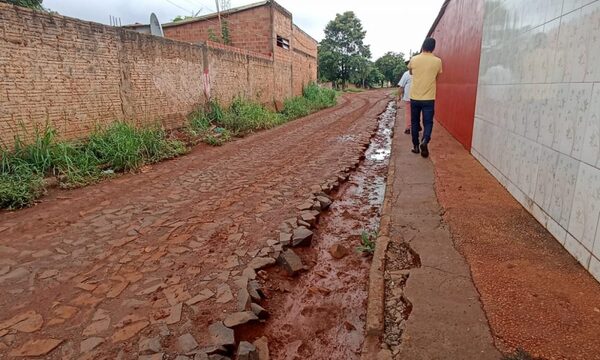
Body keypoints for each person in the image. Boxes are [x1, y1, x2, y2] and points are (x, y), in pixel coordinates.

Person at [408, 37, 442, 158]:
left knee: (414, 122)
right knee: (428, 122)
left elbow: (411, 72)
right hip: (429, 98)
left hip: (415, 97)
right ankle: (425, 141)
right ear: (433, 48)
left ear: (423, 46)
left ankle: (416, 146)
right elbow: (437, 77)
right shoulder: (438, 61)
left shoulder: (414, 59)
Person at [397, 65, 412, 135]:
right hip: (419, 97)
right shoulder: (421, 72)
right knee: (417, 112)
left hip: (408, 98)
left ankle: (408, 128)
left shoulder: (407, 73)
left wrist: (399, 96)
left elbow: (401, 87)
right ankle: (417, 126)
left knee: (408, 113)